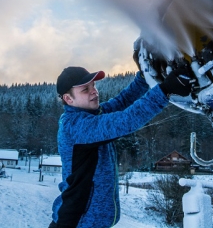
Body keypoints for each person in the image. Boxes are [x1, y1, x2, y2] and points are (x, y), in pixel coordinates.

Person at [48, 59, 194, 228]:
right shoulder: (75, 126)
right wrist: (166, 90)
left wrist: (143, 77)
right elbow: (125, 120)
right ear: (68, 99)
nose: (94, 91)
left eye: (94, 86)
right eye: (85, 89)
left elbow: (122, 102)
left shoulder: (92, 114)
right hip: (76, 223)